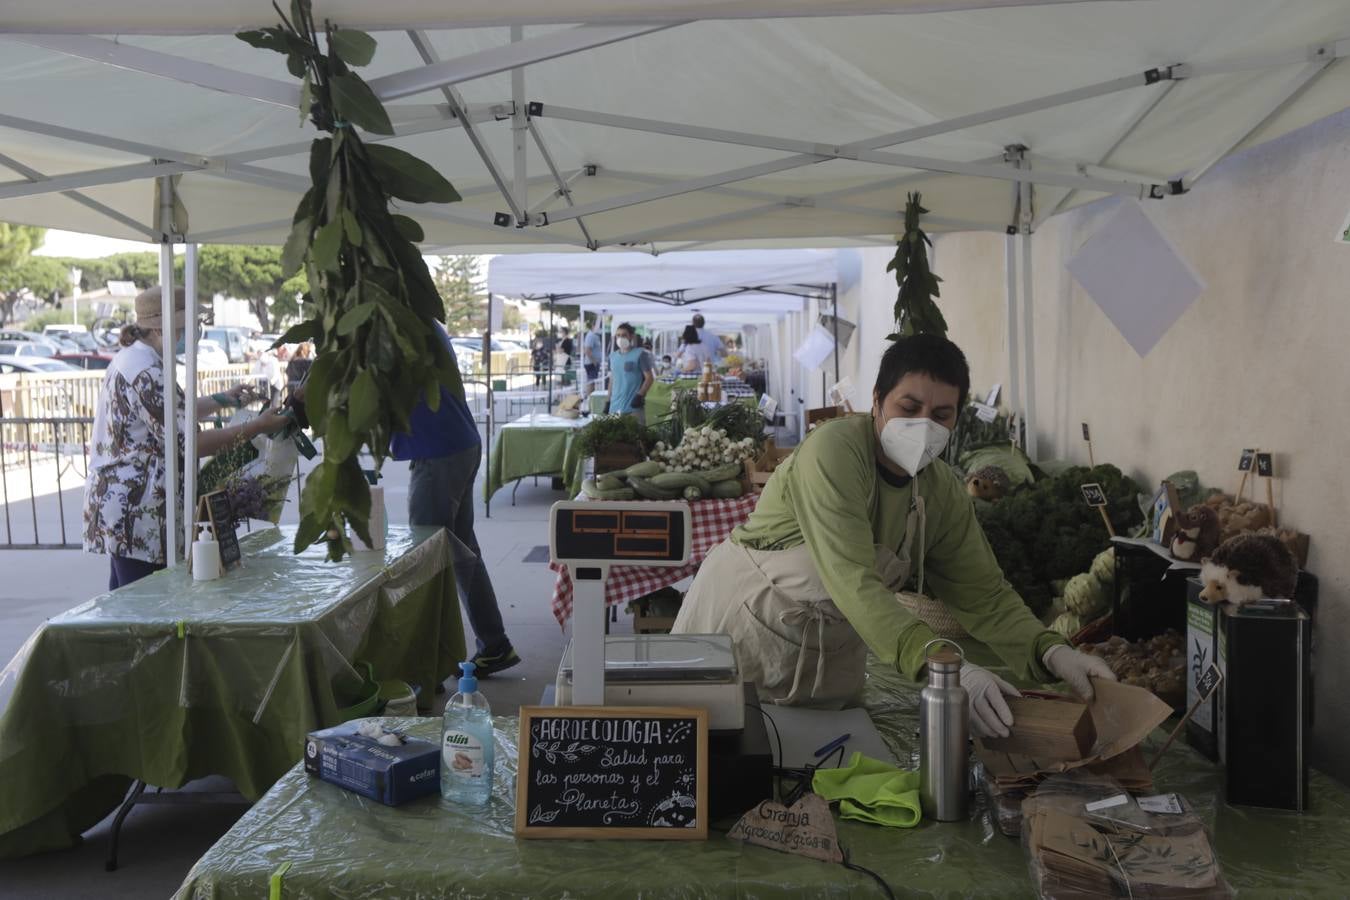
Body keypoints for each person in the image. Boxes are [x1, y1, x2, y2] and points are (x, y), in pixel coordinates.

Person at [673, 334, 1115, 737]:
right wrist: (944, 665)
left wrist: (1051, 651)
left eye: (941, 415)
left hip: (827, 659)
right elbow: (852, 580)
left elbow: (984, 596)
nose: (924, 424)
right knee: (720, 769)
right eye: (909, 408)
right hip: (742, 638)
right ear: (878, 400)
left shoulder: (941, 491)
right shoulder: (835, 452)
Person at [83, 287, 290, 590]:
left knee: (125, 605)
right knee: (142, 610)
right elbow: (191, 442)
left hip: (130, 509)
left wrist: (223, 399)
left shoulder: (136, 360)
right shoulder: (145, 372)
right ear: (159, 327)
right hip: (139, 512)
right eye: (187, 327)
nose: (194, 334)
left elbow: (172, 412)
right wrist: (257, 426)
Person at [391, 325, 520, 677]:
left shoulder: (390, 325)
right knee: (462, 554)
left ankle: (428, 661)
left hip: (439, 451)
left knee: (427, 558)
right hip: (456, 443)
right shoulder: (421, 320)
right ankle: (494, 643)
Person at [607, 322, 654, 423]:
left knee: (637, 438)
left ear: (631, 337)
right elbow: (612, 379)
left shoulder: (640, 354)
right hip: (615, 407)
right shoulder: (612, 357)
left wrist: (639, 395)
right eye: (618, 335)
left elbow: (649, 378)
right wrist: (608, 400)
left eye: (624, 335)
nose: (620, 338)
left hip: (634, 407)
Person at [580, 318, 604, 398]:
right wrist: (594, 361)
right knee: (591, 382)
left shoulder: (595, 336)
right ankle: (589, 400)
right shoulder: (590, 336)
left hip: (594, 362)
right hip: (591, 363)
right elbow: (587, 350)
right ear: (594, 326)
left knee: (592, 382)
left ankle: (591, 399)